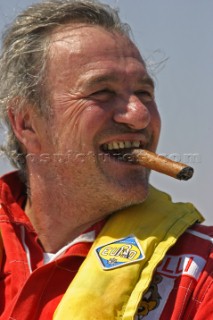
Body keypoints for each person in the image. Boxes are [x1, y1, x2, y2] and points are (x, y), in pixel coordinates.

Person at [0, 0, 212, 319]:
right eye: (102, 92)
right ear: (27, 123)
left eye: (145, 93)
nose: (140, 116)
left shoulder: (201, 273)